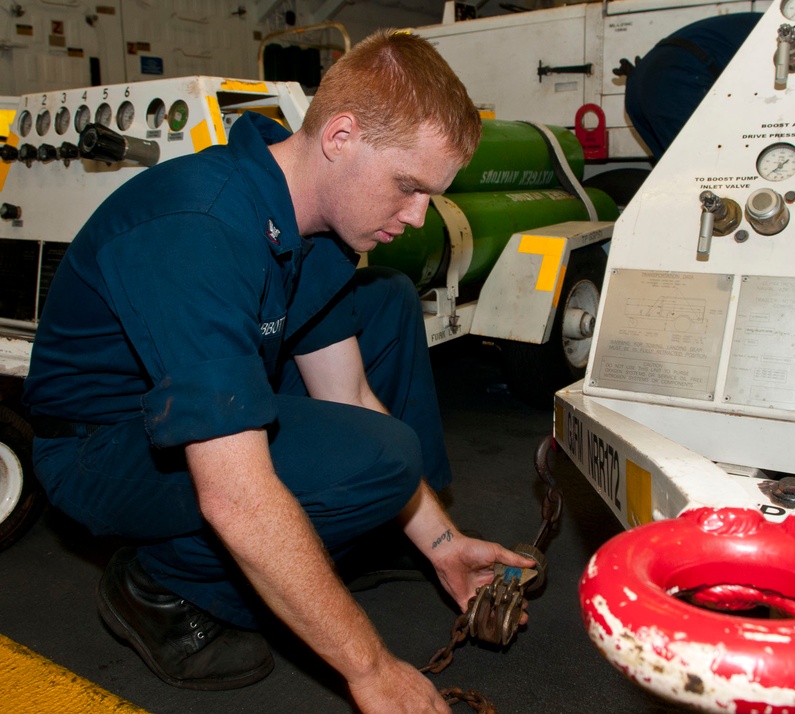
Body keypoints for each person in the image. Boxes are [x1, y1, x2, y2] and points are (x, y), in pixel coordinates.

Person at [23, 29, 534, 713]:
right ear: (340, 137)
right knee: (380, 457)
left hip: (185, 405)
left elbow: (345, 390)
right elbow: (234, 495)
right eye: (409, 188)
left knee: (383, 308)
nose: (417, 218)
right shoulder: (202, 228)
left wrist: (443, 544)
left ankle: (354, 526)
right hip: (100, 448)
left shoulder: (314, 224)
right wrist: (370, 667)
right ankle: (161, 582)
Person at [616, 12, 763, 162]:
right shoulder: (778, 30)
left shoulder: (768, 22)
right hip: (679, 79)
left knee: (679, 175)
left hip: (641, 81)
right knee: (714, 169)